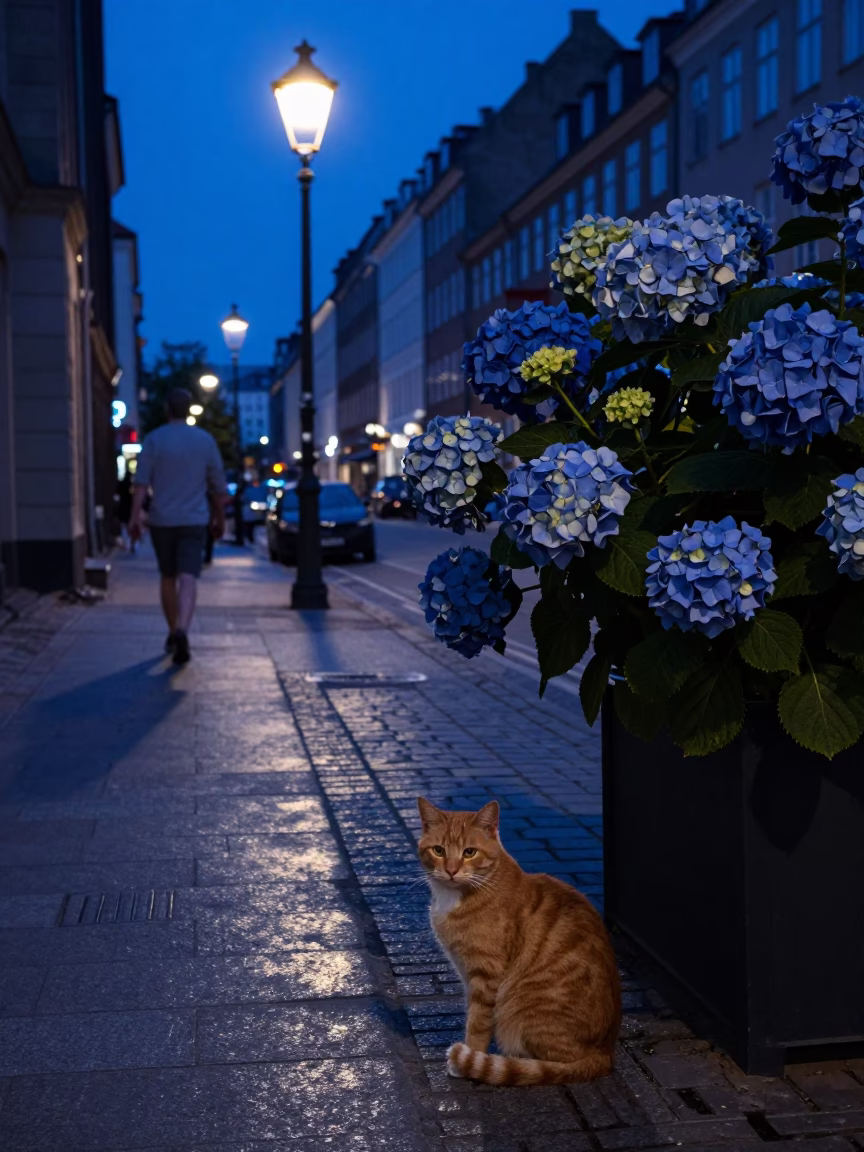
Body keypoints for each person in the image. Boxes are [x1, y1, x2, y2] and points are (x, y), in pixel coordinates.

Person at [129, 387, 226, 664]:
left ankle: (172, 631)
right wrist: (219, 517)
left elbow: (141, 484)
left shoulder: (154, 440)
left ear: (167, 410)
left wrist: (134, 517)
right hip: (194, 519)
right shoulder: (205, 441)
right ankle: (183, 627)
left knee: (168, 576)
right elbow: (218, 487)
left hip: (162, 520)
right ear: (189, 409)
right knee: (189, 576)